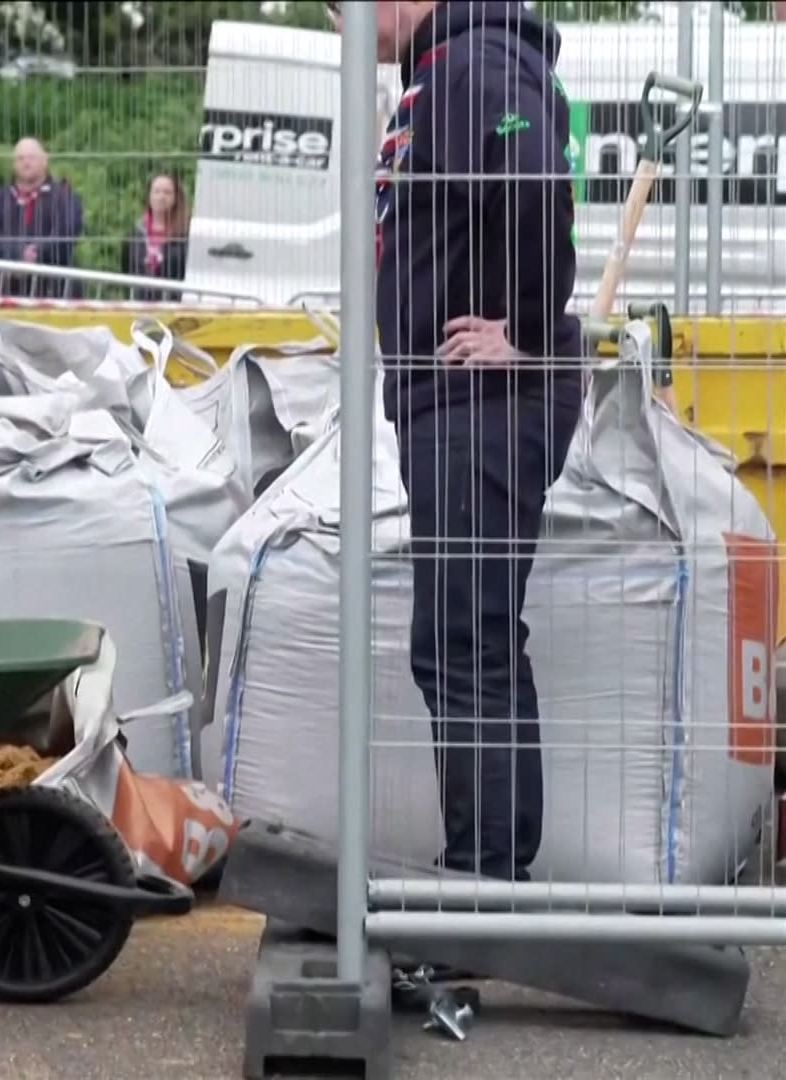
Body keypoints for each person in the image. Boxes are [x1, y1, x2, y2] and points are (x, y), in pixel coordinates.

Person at [338, 0, 585, 882]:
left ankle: (483, 883)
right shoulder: (449, 68)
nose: (346, 30)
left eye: (345, 8)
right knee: (463, 639)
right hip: (457, 399)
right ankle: (485, 871)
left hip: (482, 399)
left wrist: (522, 328)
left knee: (465, 640)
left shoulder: (470, 64)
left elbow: (533, 183)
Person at [0, 137, 86, 300]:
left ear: (45, 161)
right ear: (13, 164)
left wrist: (36, 255)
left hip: (54, 292)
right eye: (20, 158)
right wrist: (17, 255)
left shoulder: (65, 197)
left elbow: (67, 235)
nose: (25, 163)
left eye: (31, 157)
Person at [119, 171, 191, 302]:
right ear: (149, 196)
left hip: (174, 306)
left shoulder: (186, 235)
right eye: (156, 191)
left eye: (167, 192)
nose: (161, 197)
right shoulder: (135, 234)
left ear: (176, 198)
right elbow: (126, 270)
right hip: (138, 304)